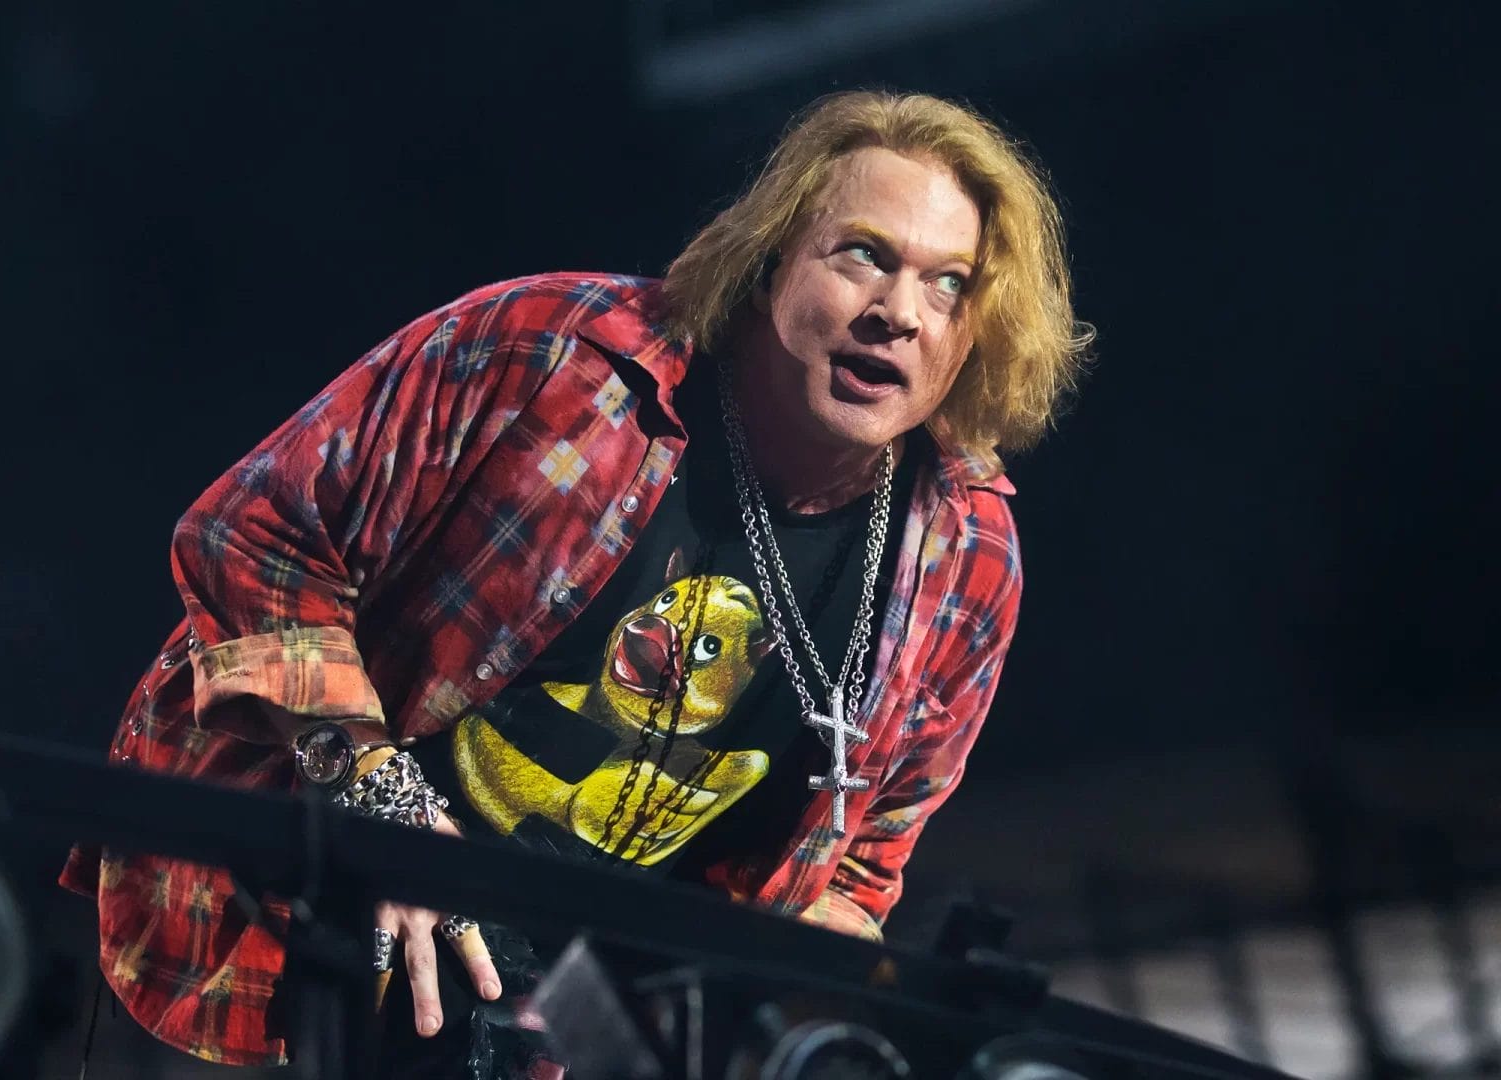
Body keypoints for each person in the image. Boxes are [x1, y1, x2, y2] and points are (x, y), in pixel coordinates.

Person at [60, 89, 1091, 1074]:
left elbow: (858, 864)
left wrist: (825, 998)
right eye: (863, 254)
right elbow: (256, 532)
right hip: (282, 917)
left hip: (584, 1023)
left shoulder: (967, 553)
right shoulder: (554, 357)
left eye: (949, 284)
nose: (899, 312)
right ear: (771, 256)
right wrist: (376, 798)